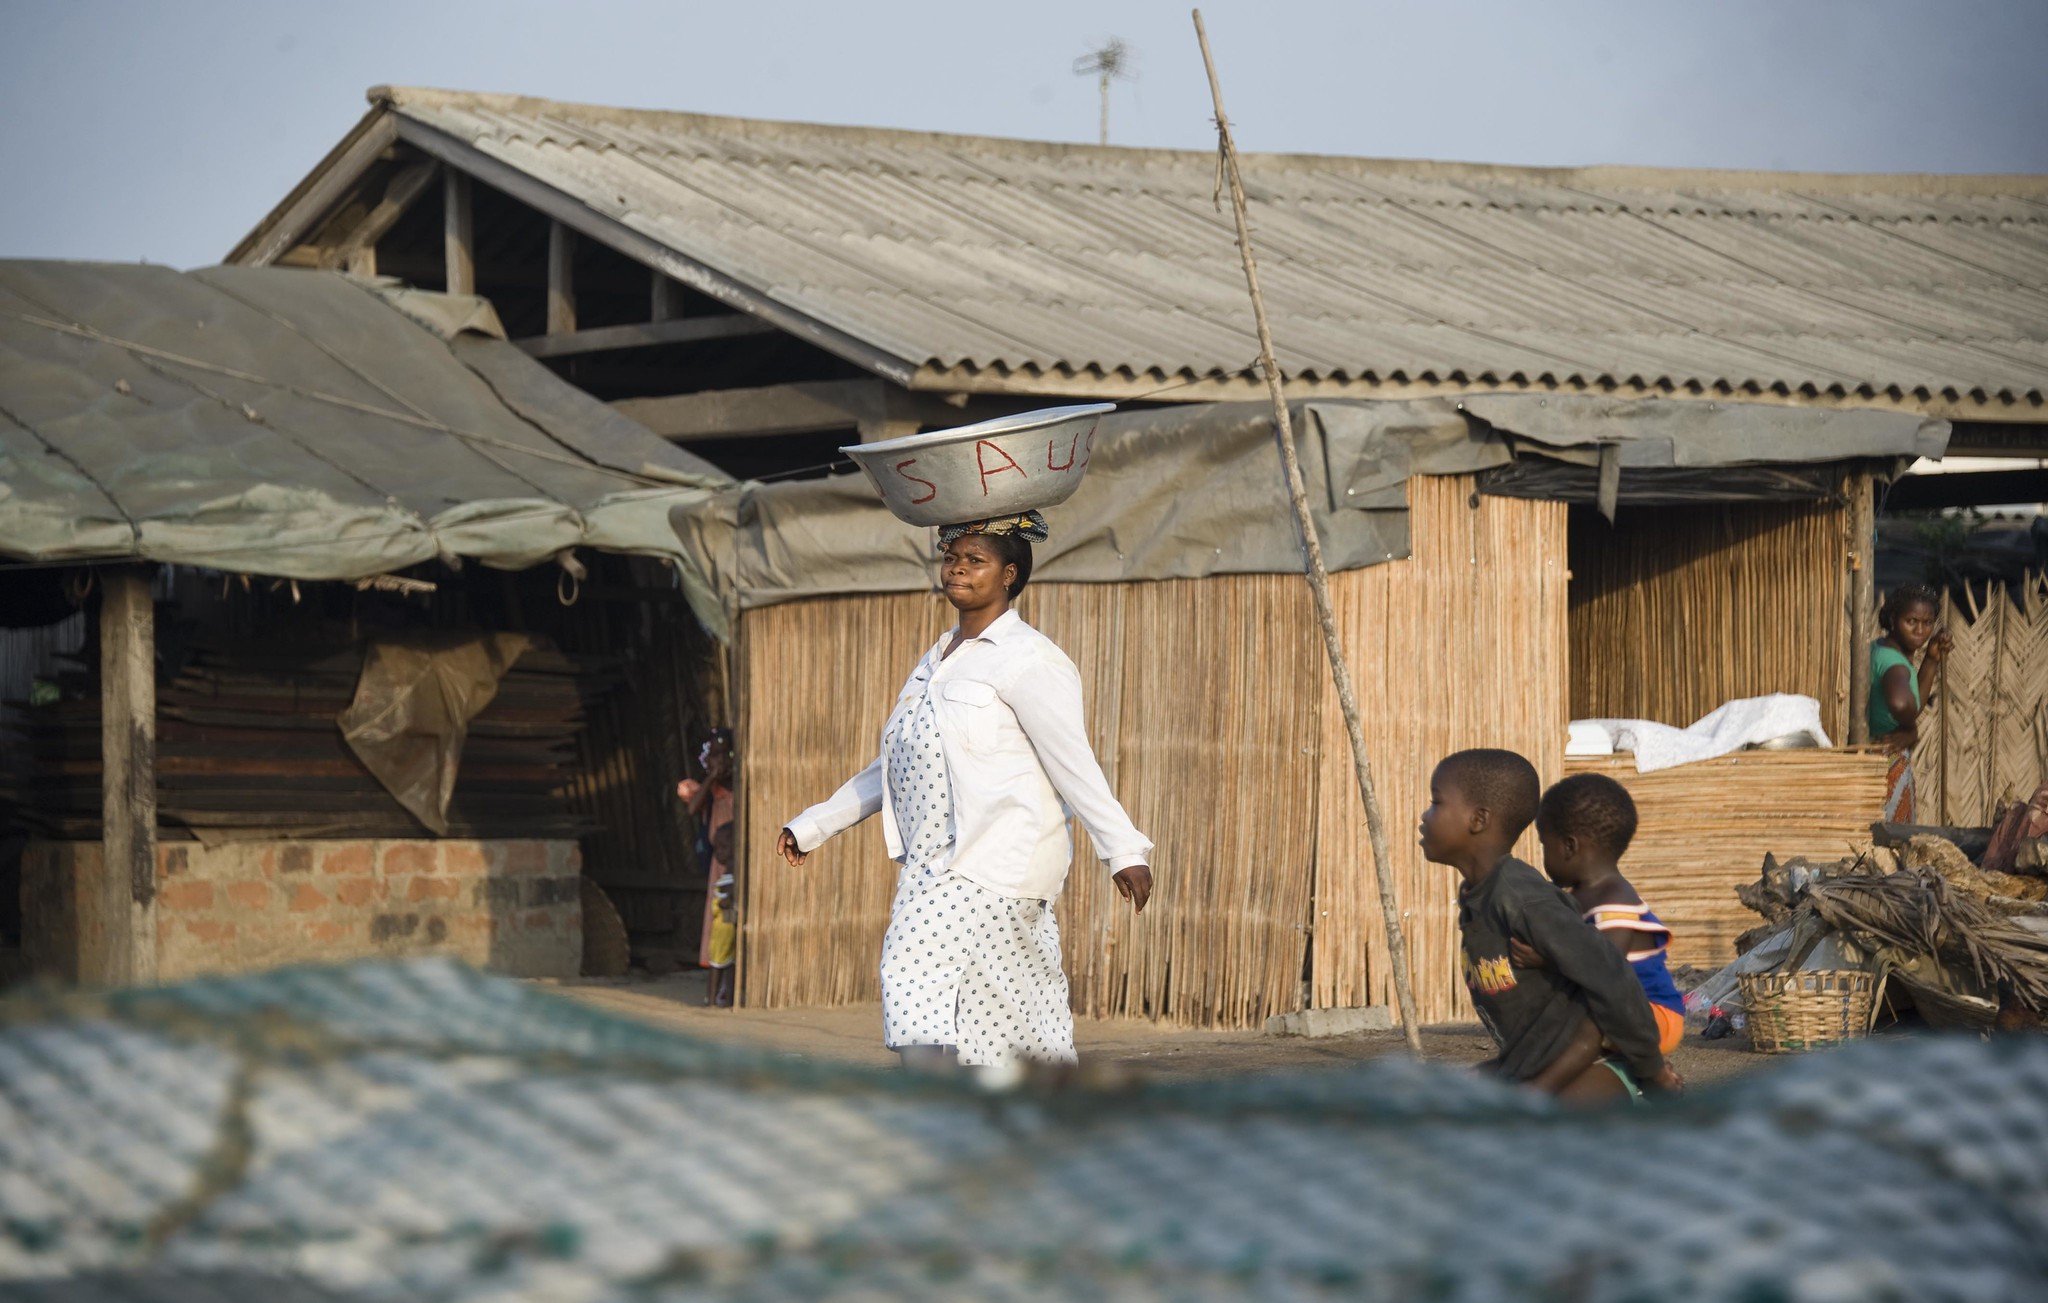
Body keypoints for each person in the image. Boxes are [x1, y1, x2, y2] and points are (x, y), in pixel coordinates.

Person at [774, 511, 1154, 1073]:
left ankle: (938, 1109)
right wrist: (814, 824)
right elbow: (898, 761)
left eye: (975, 561)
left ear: (1009, 575)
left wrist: (1122, 850)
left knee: (912, 975)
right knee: (1004, 1027)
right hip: (932, 866)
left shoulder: (1030, 659)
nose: (957, 569)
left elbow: (1073, 760)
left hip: (995, 860)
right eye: (952, 558)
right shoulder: (937, 658)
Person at [1420, 748, 1681, 1104]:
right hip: (1535, 1064)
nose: (1425, 815)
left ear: (1478, 820)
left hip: (1594, 1066)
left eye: (1436, 802)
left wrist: (1653, 1073)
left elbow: (1612, 977)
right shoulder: (1479, 898)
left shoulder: (1523, 898)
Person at [1510, 774, 1686, 1057]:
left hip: (1654, 1017)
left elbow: (1602, 969)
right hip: (1623, 1009)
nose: (1543, 854)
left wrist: (1546, 961)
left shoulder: (1614, 903)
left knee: (1572, 1022)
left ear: (1569, 847)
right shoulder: (1578, 897)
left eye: (1545, 845)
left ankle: (1648, 1073)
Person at [1869, 585, 1949, 822]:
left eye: (1927, 622)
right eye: (1911, 621)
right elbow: (1902, 704)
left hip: (1874, 757)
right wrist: (1910, 729)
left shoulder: (1881, 648)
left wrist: (1931, 660)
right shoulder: (1896, 666)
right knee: (1892, 838)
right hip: (1888, 763)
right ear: (1894, 619)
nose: (1920, 630)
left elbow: (1911, 705)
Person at [677, 727, 736, 1005]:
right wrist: (712, 778)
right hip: (720, 866)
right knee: (719, 924)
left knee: (734, 925)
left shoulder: (741, 786)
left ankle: (729, 988)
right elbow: (691, 809)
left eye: (723, 755)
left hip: (741, 864)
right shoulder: (710, 791)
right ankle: (716, 990)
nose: (719, 762)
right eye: (713, 756)